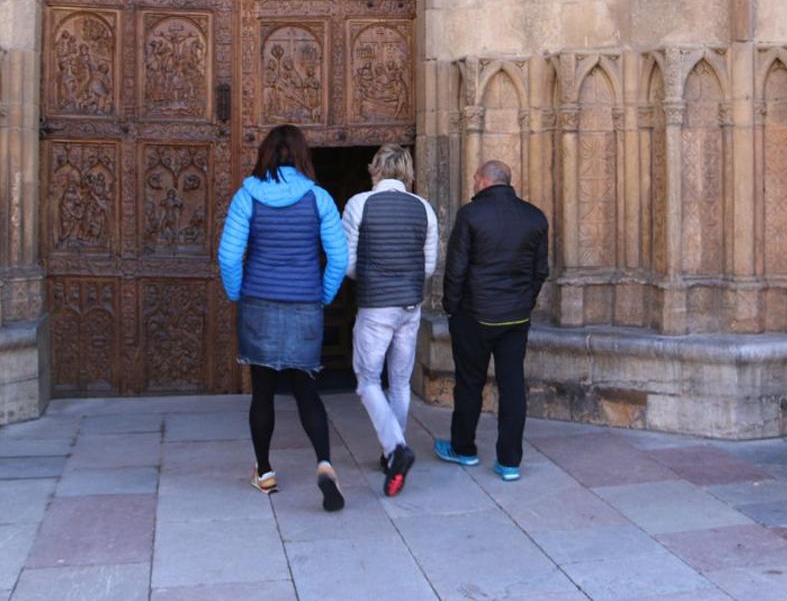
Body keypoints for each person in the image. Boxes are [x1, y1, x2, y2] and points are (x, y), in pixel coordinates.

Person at [217, 125, 348, 511]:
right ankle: (324, 463)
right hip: (304, 305)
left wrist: (237, 293)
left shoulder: (247, 197)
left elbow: (228, 256)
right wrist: (321, 295)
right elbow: (338, 258)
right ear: (303, 154)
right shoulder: (319, 198)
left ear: (266, 154)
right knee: (306, 391)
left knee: (263, 392)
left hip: (259, 302)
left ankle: (265, 471)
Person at [434, 160, 549, 482]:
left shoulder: (471, 215)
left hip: (474, 315)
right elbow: (540, 271)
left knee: (469, 382)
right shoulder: (534, 216)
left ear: (484, 181)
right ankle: (510, 461)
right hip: (514, 317)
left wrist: (452, 307)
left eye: (475, 178)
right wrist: (525, 303)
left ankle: (464, 448)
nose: (473, 183)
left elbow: (456, 268)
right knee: (512, 387)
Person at [341, 144, 439, 497]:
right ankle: (391, 453)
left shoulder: (359, 204)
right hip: (410, 305)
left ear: (376, 169)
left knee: (367, 380)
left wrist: (373, 277)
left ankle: (396, 449)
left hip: (376, 305)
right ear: (408, 171)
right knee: (399, 382)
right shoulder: (424, 208)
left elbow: (347, 262)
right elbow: (428, 266)